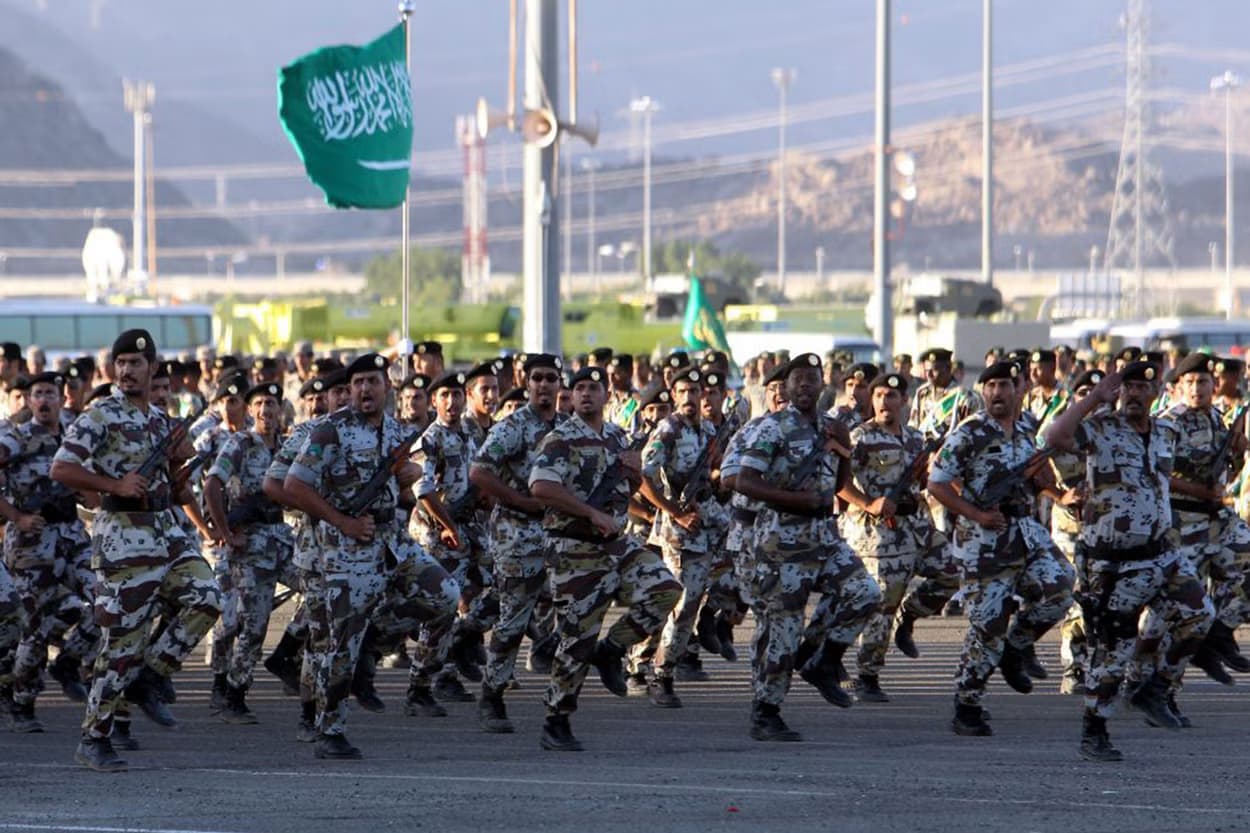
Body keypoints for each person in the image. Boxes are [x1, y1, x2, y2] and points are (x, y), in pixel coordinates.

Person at [52, 329, 223, 772]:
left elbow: (176, 482)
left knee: (207, 597)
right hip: (123, 537)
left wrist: (179, 474)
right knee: (122, 643)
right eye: (122, 362)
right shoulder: (100, 415)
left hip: (166, 529)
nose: (127, 370)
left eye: (136, 363)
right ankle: (94, 737)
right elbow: (62, 468)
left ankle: (151, 676)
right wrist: (115, 484)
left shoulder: (161, 420)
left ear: (153, 369)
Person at [283, 353, 457, 759]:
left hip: (391, 538)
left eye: (373, 381)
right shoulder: (330, 430)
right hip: (346, 547)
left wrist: (409, 477)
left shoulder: (397, 432)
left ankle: (374, 647)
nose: (365, 389)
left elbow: (405, 490)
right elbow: (294, 485)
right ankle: (329, 730)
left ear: (387, 387)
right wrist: (341, 521)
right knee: (342, 641)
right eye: (358, 382)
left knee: (445, 596)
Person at [1045, 362, 1215, 760]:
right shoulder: (1100, 427)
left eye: (1142, 387)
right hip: (1112, 562)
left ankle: (1153, 689)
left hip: (1161, 553)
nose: (1134, 394)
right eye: (1129, 387)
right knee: (1112, 650)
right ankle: (1095, 728)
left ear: (1156, 393)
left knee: (1200, 614)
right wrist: (1093, 397)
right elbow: (1055, 436)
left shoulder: (1166, 432)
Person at [528, 366, 682, 751]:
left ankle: (612, 649)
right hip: (573, 548)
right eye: (579, 388)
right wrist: (589, 512)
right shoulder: (560, 438)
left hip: (615, 544)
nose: (585, 394)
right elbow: (541, 486)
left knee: (665, 588)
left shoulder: (616, 437)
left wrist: (633, 474)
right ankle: (557, 718)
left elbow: (627, 488)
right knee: (576, 639)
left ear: (606, 396)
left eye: (593, 388)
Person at [732, 354, 882, 742]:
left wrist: (844, 448)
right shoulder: (772, 427)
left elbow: (838, 485)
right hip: (781, 540)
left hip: (824, 535)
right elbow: (744, 481)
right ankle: (766, 710)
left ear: (822, 386)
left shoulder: (829, 426)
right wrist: (794, 499)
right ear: (785, 386)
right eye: (797, 378)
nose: (804, 385)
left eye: (811, 378)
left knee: (865, 592)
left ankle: (822, 660)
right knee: (783, 629)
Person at [927, 361, 1074, 737]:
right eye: (990, 386)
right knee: (987, 626)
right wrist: (976, 513)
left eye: (1005, 385)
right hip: (983, 540)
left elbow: (1038, 478)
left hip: (1024, 530)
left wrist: (1054, 489)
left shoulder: (1026, 429)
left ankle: (1016, 647)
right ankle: (968, 703)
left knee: (1061, 587)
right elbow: (938, 483)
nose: (996, 392)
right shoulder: (970, 432)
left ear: (1020, 388)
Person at [838, 372, 961, 702]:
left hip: (916, 526)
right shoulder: (860, 437)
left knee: (952, 573)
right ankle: (867, 675)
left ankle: (910, 616)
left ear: (904, 401)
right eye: (878, 395)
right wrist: (867, 503)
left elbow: (926, 480)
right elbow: (839, 481)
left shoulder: (916, 439)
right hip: (880, 532)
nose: (884, 402)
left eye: (891, 396)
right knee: (883, 604)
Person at [470, 354, 566, 732]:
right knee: (513, 619)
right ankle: (492, 694)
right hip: (517, 533)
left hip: (558, 533)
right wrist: (519, 500)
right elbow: (479, 471)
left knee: (575, 607)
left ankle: (560, 699)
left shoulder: (566, 427)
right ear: (527, 384)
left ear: (560, 384)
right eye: (537, 378)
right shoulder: (513, 426)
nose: (544, 385)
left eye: (551, 378)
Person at [0, 371, 97, 732]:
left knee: (106, 601)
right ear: (29, 400)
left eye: (50, 393)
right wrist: (17, 517)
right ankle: (21, 702)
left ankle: (68, 662)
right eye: (37, 393)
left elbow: (92, 486)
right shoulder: (16, 437)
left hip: (71, 535)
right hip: (32, 544)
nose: (43, 400)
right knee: (35, 628)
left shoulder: (75, 435)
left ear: (61, 398)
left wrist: (88, 493)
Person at [202, 382, 298, 724]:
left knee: (321, 589)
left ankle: (287, 653)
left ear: (280, 409)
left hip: (281, 539)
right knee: (248, 626)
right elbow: (212, 485)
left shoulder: (287, 446)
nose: (265, 410)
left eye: (271, 403)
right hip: (250, 545)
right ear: (250, 409)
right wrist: (225, 533)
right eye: (258, 404)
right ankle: (232, 692)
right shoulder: (240, 443)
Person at [637, 366, 728, 709]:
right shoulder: (668, 430)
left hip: (709, 520)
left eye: (694, 391)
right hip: (680, 531)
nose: (689, 397)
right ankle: (660, 674)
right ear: (674, 396)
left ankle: (714, 619)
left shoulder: (708, 430)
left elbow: (711, 472)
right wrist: (673, 511)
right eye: (683, 392)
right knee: (683, 604)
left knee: (740, 561)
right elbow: (642, 476)